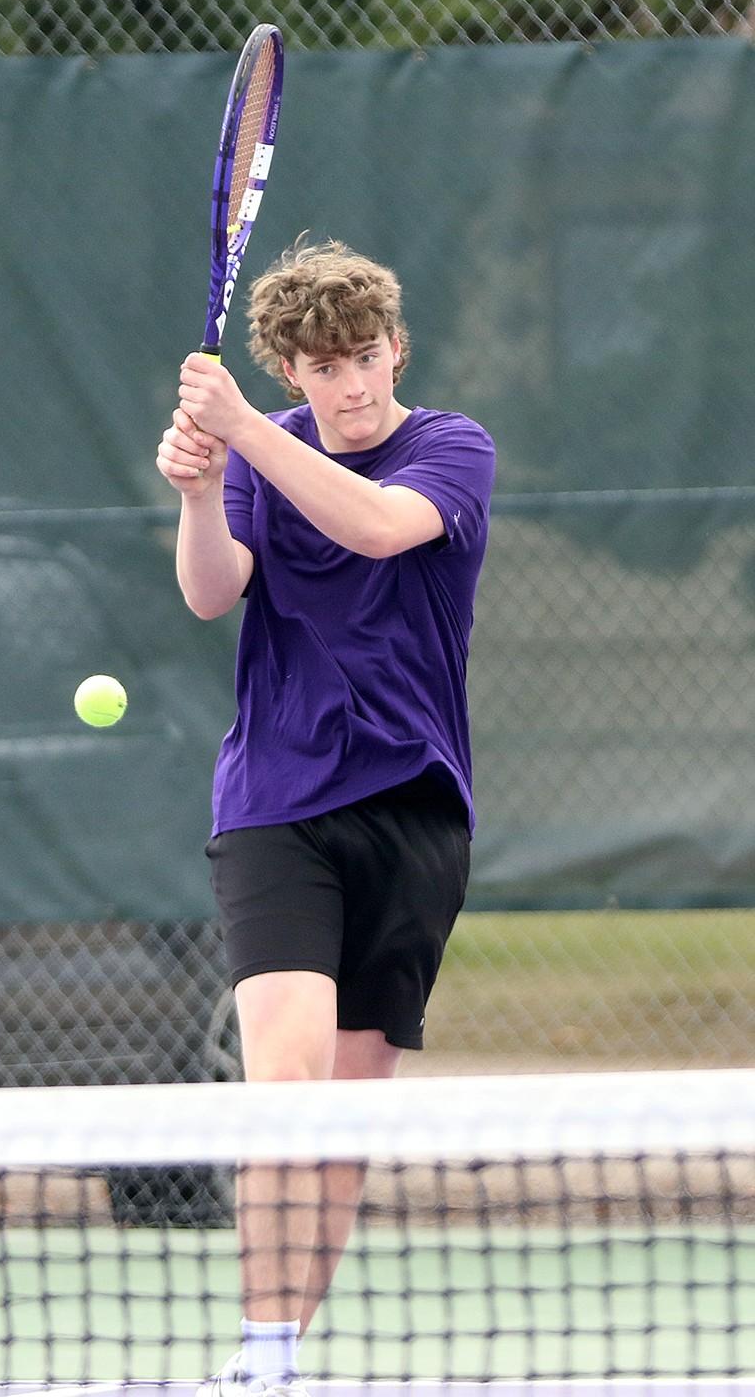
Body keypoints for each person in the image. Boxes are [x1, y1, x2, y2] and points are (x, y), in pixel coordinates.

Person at [155, 239, 496, 1397]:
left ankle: (291, 1340)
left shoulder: (451, 447)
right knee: (283, 1089)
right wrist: (205, 486)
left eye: (363, 357)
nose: (349, 385)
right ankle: (262, 1354)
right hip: (275, 804)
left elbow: (376, 528)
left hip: (413, 810)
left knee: (346, 1115)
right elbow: (211, 590)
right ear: (291, 369)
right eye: (321, 366)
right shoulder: (261, 449)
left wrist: (242, 430)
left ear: (397, 347)